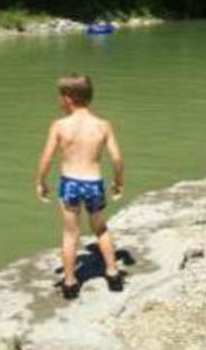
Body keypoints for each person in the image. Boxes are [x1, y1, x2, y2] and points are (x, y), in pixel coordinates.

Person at [35, 74, 125, 300]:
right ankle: (113, 274)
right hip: (93, 182)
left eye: (60, 97)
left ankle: (70, 282)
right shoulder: (103, 125)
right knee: (100, 228)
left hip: (70, 183)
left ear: (68, 98)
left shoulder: (59, 125)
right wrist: (118, 181)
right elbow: (116, 158)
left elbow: (47, 157)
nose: (59, 101)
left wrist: (41, 181)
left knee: (70, 233)